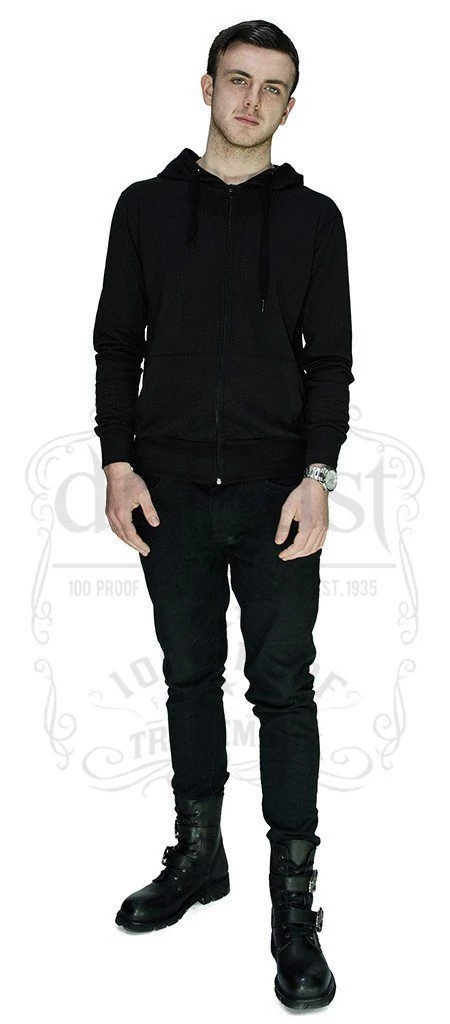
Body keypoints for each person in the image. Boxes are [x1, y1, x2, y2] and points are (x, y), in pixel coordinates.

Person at [93, 19, 354, 1012]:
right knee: (187, 674)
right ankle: (199, 854)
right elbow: (117, 344)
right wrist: (119, 464)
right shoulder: (146, 208)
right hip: (166, 487)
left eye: (273, 88)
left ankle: (295, 905)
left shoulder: (314, 220)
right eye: (237, 81)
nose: (252, 101)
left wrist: (317, 476)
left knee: (282, 688)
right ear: (206, 87)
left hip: (276, 490)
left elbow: (330, 361)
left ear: (291, 104)